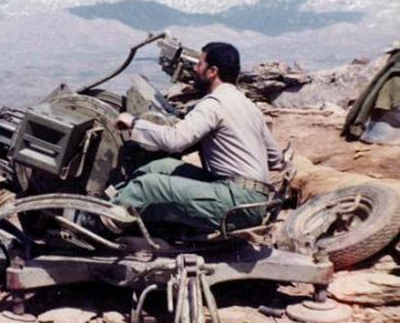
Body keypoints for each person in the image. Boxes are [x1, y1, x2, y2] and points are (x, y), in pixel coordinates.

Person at [111, 42, 282, 232]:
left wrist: (134, 123)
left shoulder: (213, 105)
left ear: (212, 71)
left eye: (200, 64)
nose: (195, 68)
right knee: (158, 167)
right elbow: (276, 158)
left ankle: (97, 224)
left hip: (238, 202)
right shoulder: (248, 105)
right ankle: (114, 202)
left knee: (147, 186)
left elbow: (175, 140)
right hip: (249, 198)